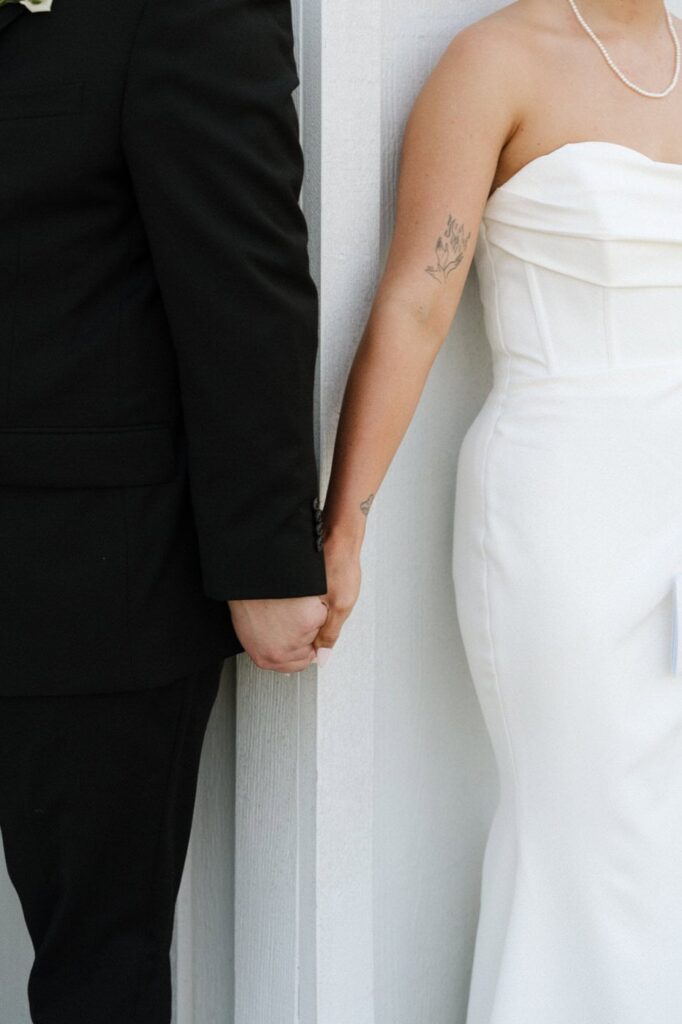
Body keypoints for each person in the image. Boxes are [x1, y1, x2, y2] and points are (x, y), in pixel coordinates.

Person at [317, 0, 682, 1019]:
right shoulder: (493, 62)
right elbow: (415, 303)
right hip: (562, 502)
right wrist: (345, 521)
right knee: (583, 826)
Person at [0, 0, 329, 1020]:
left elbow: (244, 285)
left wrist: (270, 563)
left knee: (97, 960)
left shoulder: (191, 10)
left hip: (84, 567)